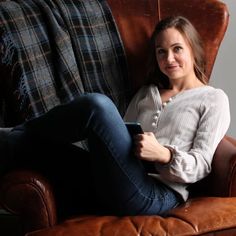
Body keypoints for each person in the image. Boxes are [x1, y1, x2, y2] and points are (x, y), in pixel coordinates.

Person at [0, 16, 230, 216]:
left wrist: (164, 154)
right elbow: (118, 139)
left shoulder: (212, 98)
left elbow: (201, 164)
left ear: (193, 48)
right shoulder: (145, 93)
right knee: (20, 143)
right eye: (161, 51)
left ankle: (23, 128)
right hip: (116, 180)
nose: (169, 58)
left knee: (98, 105)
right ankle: (16, 135)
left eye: (177, 48)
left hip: (157, 193)